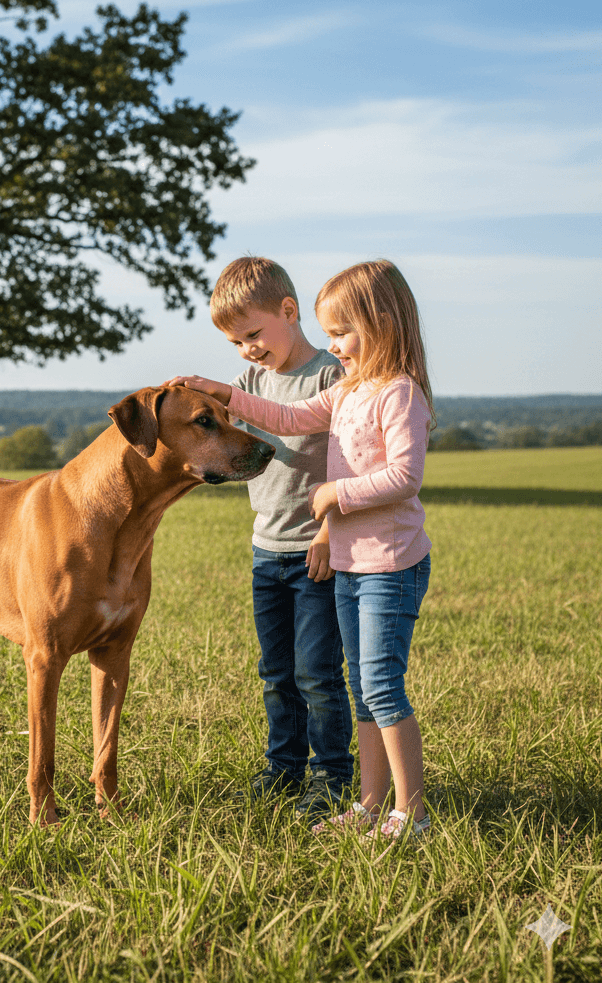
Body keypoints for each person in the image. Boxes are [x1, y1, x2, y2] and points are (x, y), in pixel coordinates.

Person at [169, 259, 434, 841]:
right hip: (349, 563)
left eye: (341, 332)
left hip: (388, 563)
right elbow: (287, 417)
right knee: (358, 690)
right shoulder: (348, 389)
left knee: (373, 686)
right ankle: (369, 804)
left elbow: (406, 477)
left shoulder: (398, 393)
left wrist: (337, 496)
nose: (332, 344)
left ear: (381, 323)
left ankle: (406, 811)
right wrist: (222, 392)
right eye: (330, 333)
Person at [193, 257, 355, 823]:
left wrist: (331, 532)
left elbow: (349, 462)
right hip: (266, 550)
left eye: (253, 335)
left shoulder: (332, 376)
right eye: (236, 343)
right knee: (277, 673)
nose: (247, 350)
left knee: (318, 675)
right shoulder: (248, 385)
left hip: (317, 553)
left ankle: (331, 777)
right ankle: (283, 769)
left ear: (289, 311)